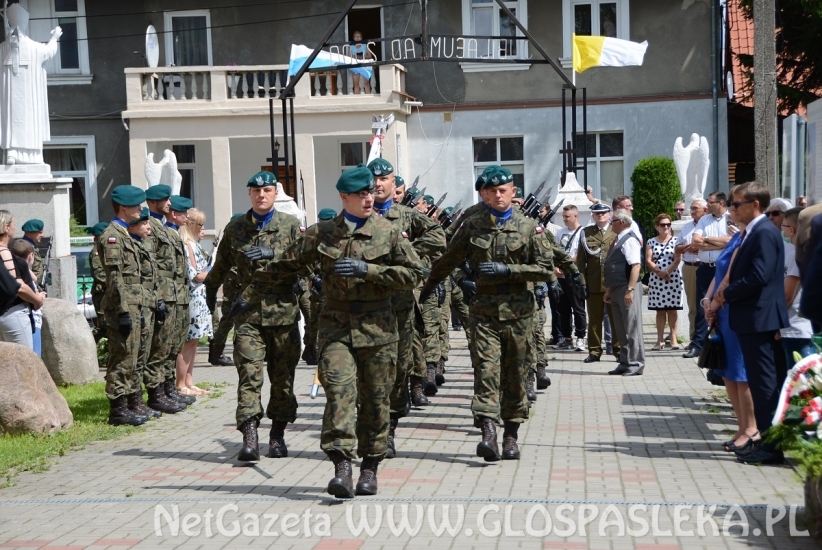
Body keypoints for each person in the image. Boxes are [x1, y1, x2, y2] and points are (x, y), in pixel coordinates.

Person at [237, 163, 423, 498]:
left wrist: (370, 271)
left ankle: (370, 466)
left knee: (375, 401)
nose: (368, 198)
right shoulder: (322, 234)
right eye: (360, 194)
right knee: (338, 394)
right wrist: (246, 296)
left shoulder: (389, 232)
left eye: (370, 191)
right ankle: (342, 466)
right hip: (336, 328)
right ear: (344, 197)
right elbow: (285, 264)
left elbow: (414, 275)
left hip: (379, 330)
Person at [420, 165, 556, 462]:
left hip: (519, 313)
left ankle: (510, 435)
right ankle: (488, 434)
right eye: (492, 191)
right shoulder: (472, 225)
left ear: (513, 192)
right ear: (483, 194)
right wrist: (431, 286)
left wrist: (510, 270)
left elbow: (545, 269)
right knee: (485, 370)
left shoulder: (529, 226)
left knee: (516, 375)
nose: (498, 195)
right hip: (483, 312)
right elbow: (448, 259)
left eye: (503, 190)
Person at [206, 171, 304, 463]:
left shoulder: (290, 225)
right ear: (249, 194)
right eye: (256, 191)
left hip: (284, 316)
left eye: (268, 191)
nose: (262, 196)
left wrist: (272, 252)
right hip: (247, 316)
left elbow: (302, 262)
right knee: (249, 375)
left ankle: (277, 435)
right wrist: (210, 291)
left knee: (283, 380)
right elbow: (221, 263)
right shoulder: (235, 227)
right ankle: (250, 436)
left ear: (276, 194)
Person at [367, 157, 445, 457]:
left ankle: (390, 428)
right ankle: (376, 430)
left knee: (398, 370)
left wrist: (408, 252)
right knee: (372, 372)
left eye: (384, 179)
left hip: (398, 304)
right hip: (366, 305)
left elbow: (438, 236)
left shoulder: (406, 216)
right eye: (373, 180)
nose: (378, 184)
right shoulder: (357, 217)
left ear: (392, 183)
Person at [715, 181, 789, 465]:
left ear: (755, 205)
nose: (731, 209)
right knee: (760, 384)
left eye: (736, 204)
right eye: (731, 204)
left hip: (760, 318)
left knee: (765, 385)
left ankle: (771, 447)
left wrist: (728, 293)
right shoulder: (751, 232)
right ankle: (764, 441)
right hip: (751, 319)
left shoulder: (765, 232)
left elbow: (760, 276)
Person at [703, 197, 757, 453]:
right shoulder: (736, 238)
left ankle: (751, 428)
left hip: (734, 309)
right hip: (722, 311)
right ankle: (740, 426)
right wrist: (707, 299)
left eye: (736, 205)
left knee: (740, 372)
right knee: (727, 373)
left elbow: (735, 278)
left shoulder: (748, 238)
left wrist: (715, 302)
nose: (732, 209)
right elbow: (720, 273)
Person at [97, 185, 153, 426]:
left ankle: (130, 403)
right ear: (123, 207)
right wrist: (121, 310)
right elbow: (115, 278)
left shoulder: (125, 235)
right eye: (136, 205)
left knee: (133, 356)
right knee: (121, 357)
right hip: (122, 306)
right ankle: (118, 409)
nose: (140, 209)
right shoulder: (112, 236)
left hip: (134, 304)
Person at [144, 185, 192, 415]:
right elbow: (152, 265)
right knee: (161, 345)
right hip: (164, 292)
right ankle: (156, 393)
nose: (169, 204)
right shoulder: (150, 226)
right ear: (153, 203)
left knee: (172, 344)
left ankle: (166, 387)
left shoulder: (162, 226)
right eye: (165, 200)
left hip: (175, 293)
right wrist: (158, 297)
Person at [0, 5, 61, 165]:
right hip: (11, 100)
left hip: (28, 99)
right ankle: (12, 152)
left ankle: (32, 155)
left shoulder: (32, 48)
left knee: (28, 121)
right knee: (12, 121)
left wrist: (54, 38)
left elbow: (48, 51)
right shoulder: (4, 49)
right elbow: (49, 50)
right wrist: (54, 38)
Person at [127, 208, 164, 421]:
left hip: (145, 302)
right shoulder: (122, 241)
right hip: (133, 304)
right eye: (144, 224)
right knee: (130, 357)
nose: (148, 227)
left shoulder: (142, 243)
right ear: (133, 226)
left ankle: (138, 400)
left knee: (143, 353)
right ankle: (126, 404)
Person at [685, 191, 732, 359]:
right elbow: (695, 242)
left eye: (710, 202)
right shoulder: (704, 220)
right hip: (705, 268)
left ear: (720, 203)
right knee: (700, 306)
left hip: (723, 269)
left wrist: (707, 241)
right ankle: (697, 344)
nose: (707, 205)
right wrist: (720, 242)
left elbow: (731, 242)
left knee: (722, 303)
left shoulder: (730, 218)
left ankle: (723, 341)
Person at [577, 203, 620, 363]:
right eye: (597, 213)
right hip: (594, 283)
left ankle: (618, 350)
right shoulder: (586, 233)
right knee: (594, 320)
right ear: (593, 216)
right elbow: (581, 262)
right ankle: (594, 351)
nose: (600, 215)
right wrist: (582, 283)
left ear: (609, 214)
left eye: (603, 213)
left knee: (616, 319)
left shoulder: (616, 230)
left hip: (613, 283)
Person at [604, 210, 645, 376]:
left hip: (626, 287)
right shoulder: (619, 238)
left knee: (632, 327)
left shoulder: (629, 240)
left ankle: (636, 363)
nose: (610, 223)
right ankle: (625, 361)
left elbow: (635, 266)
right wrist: (609, 289)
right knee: (620, 328)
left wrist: (630, 289)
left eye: (613, 220)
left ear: (621, 222)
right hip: (616, 288)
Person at [177, 208, 213, 397]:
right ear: (191, 226)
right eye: (200, 224)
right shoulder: (187, 245)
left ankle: (189, 381)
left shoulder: (195, 244)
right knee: (188, 342)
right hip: (193, 297)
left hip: (199, 296)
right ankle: (181, 384)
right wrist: (213, 273)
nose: (203, 228)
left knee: (195, 341)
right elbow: (196, 275)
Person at [0, 210, 44, 349]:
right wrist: (37, 300)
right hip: (13, 313)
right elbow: (17, 285)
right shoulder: (4, 252)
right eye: (13, 223)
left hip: (5, 312)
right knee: (25, 363)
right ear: (6, 227)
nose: (15, 227)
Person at [779, 207, 814, 366]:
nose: (782, 229)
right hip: (791, 328)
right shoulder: (794, 252)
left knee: (802, 381)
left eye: (783, 226)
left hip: (795, 328)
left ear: (791, 230)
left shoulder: (795, 254)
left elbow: (788, 295)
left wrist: (775, 322)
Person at [208, 213, 244, 367]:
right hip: (233, 286)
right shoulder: (231, 242)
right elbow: (225, 266)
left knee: (238, 322)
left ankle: (239, 352)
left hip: (240, 286)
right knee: (228, 321)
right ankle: (216, 352)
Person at [646, 213, 683, 350]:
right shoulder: (651, 241)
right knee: (660, 311)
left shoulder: (676, 240)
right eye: (663, 224)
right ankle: (659, 340)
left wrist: (666, 272)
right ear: (657, 226)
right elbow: (648, 260)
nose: (666, 227)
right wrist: (658, 272)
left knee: (672, 310)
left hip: (672, 278)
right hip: (656, 279)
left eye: (668, 224)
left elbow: (677, 259)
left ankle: (673, 339)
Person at [674, 199, 707, 351]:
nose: (692, 211)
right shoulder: (686, 227)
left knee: (709, 305)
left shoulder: (709, 225)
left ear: (705, 210)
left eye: (695, 208)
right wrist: (686, 248)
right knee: (693, 306)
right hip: (689, 267)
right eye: (691, 208)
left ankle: (711, 340)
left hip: (705, 266)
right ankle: (695, 340)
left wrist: (700, 248)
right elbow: (677, 247)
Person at [555, 205, 587, 352]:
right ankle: (567, 338)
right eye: (563, 216)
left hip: (574, 275)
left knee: (578, 307)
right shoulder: (560, 232)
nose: (565, 219)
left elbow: (580, 255)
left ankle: (581, 337)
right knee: (563, 308)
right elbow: (555, 252)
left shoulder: (583, 233)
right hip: (561, 275)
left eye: (567, 216)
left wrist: (567, 264)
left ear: (576, 216)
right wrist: (556, 267)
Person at [10, 238, 42, 355]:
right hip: (29, 318)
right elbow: (26, 290)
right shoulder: (22, 272)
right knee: (33, 356)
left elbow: (34, 277)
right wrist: (38, 298)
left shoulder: (12, 269)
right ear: (31, 256)